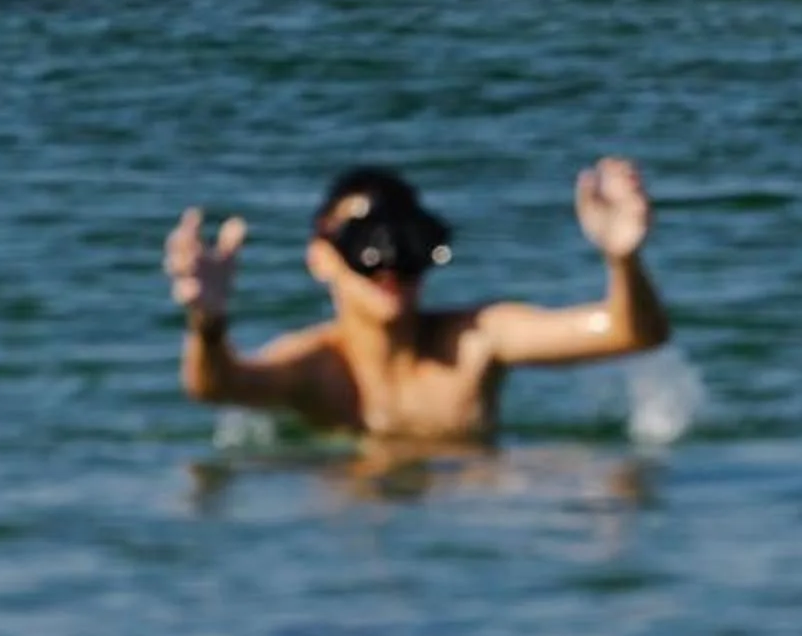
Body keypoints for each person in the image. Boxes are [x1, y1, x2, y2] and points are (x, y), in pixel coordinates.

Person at [162, 159, 671, 443]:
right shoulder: (319, 367)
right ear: (321, 260)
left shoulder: (474, 341)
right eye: (365, 249)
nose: (389, 267)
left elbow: (633, 333)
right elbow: (217, 386)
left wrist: (623, 261)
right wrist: (207, 323)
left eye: (409, 248)